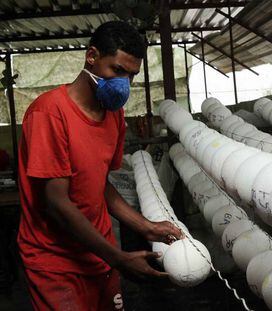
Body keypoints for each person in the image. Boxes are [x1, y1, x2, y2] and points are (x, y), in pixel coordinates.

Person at [17, 21, 182, 311]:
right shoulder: (49, 113)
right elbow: (57, 202)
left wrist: (145, 227)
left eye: (132, 75)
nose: (124, 84)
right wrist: (118, 257)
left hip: (100, 253)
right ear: (91, 56)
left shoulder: (114, 117)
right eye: (117, 70)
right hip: (57, 264)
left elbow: (98, 185)